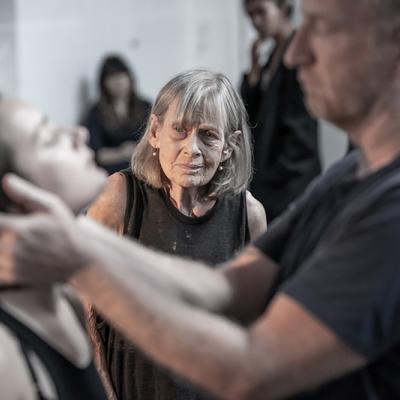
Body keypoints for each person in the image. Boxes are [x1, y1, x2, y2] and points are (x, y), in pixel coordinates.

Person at [1, 0, 400, 398]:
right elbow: (222, 289)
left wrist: (79, 258)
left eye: (322, 27)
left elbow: (250, 368)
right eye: (48, 137)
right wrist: (82, 243)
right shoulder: (346, 177)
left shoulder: (389, 212)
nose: (295, 52)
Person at [86, 69, 266, 400]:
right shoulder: (119, 198)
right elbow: (83, 313)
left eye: (209, 135)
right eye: (179, 131)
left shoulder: (249, 215)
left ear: (230, 146)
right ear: (155, 132)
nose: (191, 149)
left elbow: (251, 329)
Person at [0, 98, 109, 399]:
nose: (79, 134)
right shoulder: (5, 357)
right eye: (49, 139)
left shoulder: (68, 300)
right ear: (16, 198)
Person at [241, 0, 321, 221]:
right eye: (250, 16)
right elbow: (250, 118)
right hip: (272, 180)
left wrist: (270, 179)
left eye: (261, 12)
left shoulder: (296, 56)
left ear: (284, 9)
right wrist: (253, 76)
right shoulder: (272, 56)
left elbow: (300, 133)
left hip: (290, 184)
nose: (256, 22)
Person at [84, 55, 151, 174]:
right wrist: (121, 153)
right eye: (111, 77)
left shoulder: (145, 106)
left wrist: (138, 150)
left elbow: (157, 140)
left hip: (143, 166)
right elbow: (97, 153)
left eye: (121, 75)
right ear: (103, 83)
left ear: (129, 77)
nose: (118, 82)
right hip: (113, 171)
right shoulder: (96, 112)